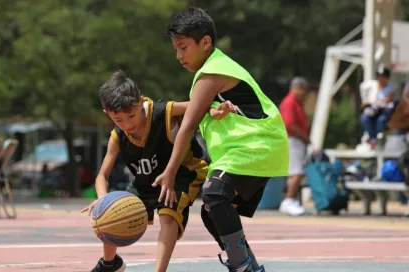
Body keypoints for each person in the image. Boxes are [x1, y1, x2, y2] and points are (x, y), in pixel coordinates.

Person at [153, 7, 289, 272]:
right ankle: (250, 268)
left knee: (214, 194)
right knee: (211, 212)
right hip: (252, 149)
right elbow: (212, 112)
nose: (179, 55)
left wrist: (169, 173)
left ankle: (242, 267)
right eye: (175, 49)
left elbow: (188, 126)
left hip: (255, 147)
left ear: (205, 43)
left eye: (183, 47)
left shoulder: (212, 72)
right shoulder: (214, 70)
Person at [81, 70, 233, 272]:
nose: (128, 124)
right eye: (118, 120)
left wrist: (214, 111)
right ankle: (110, 263)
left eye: (131, 116)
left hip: (183, 172)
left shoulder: (163, 112)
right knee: (111, 213)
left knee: (167, 215)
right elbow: (102, 175)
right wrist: (103, 200)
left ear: (141, 101)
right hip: (147, 182)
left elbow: (197, 105)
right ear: (107, 114)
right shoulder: (117, 137)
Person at [278, 77, 309, 216]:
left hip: (296, 140)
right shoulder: (290, 102)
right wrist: (305, 136)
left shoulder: (297, 102)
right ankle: (288, 200)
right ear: (294, 88)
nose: (303, 92)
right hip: (293, 140)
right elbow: (289, 124)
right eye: (301, 89)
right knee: (297, 173)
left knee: (296, 173)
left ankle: (290, 200)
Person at [359, 66, 395, 148]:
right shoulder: (372, 86)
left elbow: (387, 100)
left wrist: (376, 101)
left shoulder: (390, 88)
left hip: (383, 112)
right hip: (371, 111)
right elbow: (365, 101)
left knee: (381, 121)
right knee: (364, 118)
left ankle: (374, 139)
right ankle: (373, 139)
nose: (381, 78)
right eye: (379, 76)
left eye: (383, 76)